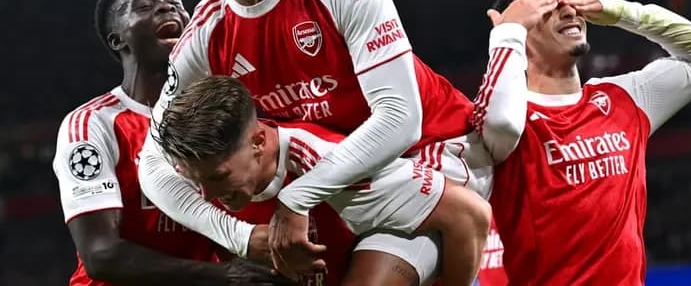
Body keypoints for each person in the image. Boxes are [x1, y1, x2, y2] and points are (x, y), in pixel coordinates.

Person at [137, 0, 488, 285]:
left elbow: (402, 120)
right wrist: (242, 237)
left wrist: (298, 197)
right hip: (328, 172)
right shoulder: (204, 37)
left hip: (422, 155)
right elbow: (152, 162)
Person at [481, 0, 691, 285]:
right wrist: (506, 36)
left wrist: (622, 12)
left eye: (570, 1)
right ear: (520, 30)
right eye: (546, 6)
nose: (569, 10)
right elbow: (495, 122)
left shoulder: (625, 98)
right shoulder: (506, 118)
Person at [52, 0, 286, 285]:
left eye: (173, 1)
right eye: (145, 6)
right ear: (116, 38)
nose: (166, 7)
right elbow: (100, 255)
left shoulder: (223, 112)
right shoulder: (92, 124)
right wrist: (221, 275)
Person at [154, 74, 492, 286]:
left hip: (407, 233)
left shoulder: (333, 165)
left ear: (259, 143)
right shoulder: (203, 167)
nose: (206, 195)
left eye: (217, 177)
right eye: (195, 181)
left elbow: (470, 213)